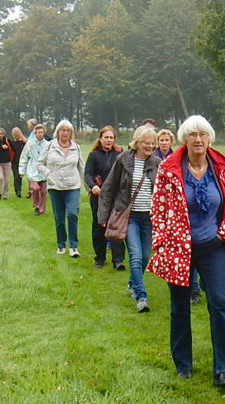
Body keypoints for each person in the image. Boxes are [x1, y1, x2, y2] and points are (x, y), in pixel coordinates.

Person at [148, 115, 225, 387]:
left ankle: (224, 369)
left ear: (209, 138)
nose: (198, 140)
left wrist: (224, 232)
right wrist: (162, 242)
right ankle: (183, 364)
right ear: (184, 139)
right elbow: (159, 208)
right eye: (192, 135)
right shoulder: (169, 168)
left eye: (202, 135)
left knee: (219, 303)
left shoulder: (221, 166)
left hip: (212, 246)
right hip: (178, 248)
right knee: (179, 308)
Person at [98, 125, 162, 313]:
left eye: (153, 143)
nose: (150, 146)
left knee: (144, 256)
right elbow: (108, 188)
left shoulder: (157, 163)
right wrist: (103, 216)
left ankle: (132, 283)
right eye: (146, 143)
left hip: (149, 217)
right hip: (129, 216)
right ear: (137, 142)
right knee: (134, 255)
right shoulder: (123, 160)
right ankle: (141, 296)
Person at [37, 120, 85, 257]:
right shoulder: (49, 146)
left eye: (68, 130)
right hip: (55, 186)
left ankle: (74, 246)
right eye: (63, 130)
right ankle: (61, 244)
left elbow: (82, 167)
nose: (65, 133)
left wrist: (89, 188)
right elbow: (40, 164)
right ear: (58, 132)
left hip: (72, 186)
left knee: (72, 214)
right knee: (59, 218)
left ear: (71, 133)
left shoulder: (76, 147)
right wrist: (48, 173)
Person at [85, 126, 126, 269]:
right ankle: (100, 258)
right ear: (100, 139)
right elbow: (87, 174)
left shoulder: (120, 155)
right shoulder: (94, 155)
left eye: (111, 138)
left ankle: (118, 260)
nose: (109, 140)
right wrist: (92, 186)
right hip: (99, 196)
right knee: (99, 226)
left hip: (116, 196)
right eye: (106, 137)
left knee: (116, 225)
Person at [20, 124, 50, 215]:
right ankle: (36, 206)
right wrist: (21, 171)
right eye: (38, 132)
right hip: (32, 169)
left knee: (43, 191)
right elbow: (24, 157)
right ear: (35, 133)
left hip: (44, 170)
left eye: (42, 132)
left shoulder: (47, 144)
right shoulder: (30, 143)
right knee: (35, 188)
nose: (40, 134)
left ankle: (41, 209)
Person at [9, 127, 27, 198]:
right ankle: (18, 191)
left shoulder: (24, 142)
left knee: (20, 176)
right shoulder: (11, 142)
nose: (16, 135)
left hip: (22, 161)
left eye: (17, 133)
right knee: (16, 176)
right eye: (14, 133)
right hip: (14, 162)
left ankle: (22, 190)